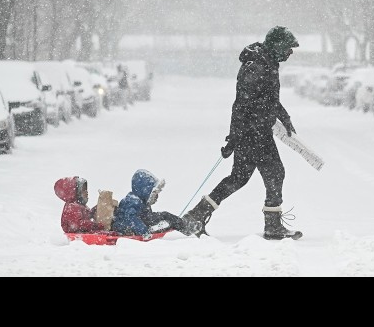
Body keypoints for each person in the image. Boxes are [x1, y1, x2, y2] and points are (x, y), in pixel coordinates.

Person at [182, 26, 302, 240]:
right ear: (277, 46)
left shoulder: (266, 62)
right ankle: (272, 227)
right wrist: (233, 137)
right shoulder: (257, 66)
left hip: (254, 131)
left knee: (238, 178)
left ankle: (197, 215)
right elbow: (241, 104)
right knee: (275, 173)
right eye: (288, 48)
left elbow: (268, 99)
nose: (290, 53)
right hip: (254, 132)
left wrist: (283, 116)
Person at [111, 169, 197, 239]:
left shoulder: (139, 200)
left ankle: (182, 225)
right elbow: (131, 218)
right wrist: (144, 231)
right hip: (129, 227)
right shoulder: (133, 201)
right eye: (154, 193)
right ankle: (186, 228)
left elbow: (144, 216)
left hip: (142, 222)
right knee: (165, 216)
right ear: (145, 190)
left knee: (165, 216)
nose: (156, 196)